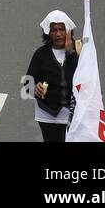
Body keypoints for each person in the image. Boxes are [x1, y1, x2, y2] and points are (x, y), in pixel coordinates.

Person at [27, 10, 79, 142]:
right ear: (48, 33)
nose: (58, 34)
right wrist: (35, 87)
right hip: (46, 112)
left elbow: (83, 76)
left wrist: (71, 53)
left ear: (68, 31)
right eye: (54, 30)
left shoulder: (78, 52)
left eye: (62, 29)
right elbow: (27, 82)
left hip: (72, 112)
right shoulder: (40, 54)